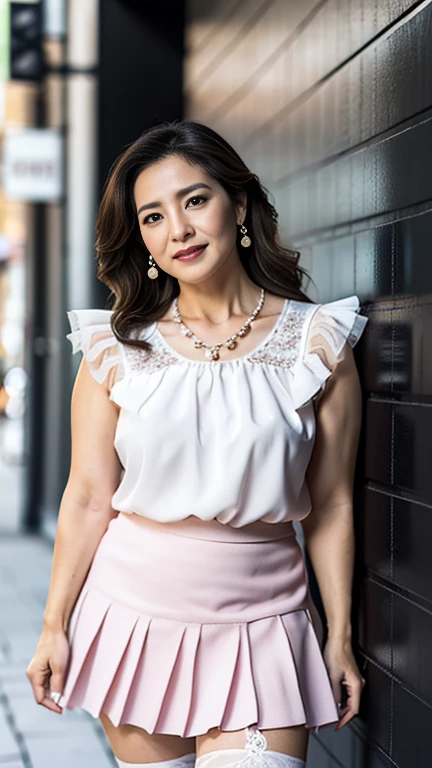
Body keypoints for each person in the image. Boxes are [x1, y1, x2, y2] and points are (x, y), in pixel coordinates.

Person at [26, 120, 368, 768]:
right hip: (133, 616)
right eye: (152, 216)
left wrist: (340, 636)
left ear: (238, 205)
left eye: (194, 200)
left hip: (265, 622)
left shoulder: (317, 342)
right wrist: (54, 627)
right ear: (142, 239)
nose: (177, 229)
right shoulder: (115, 349)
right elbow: (87, 499)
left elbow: (333, 507)